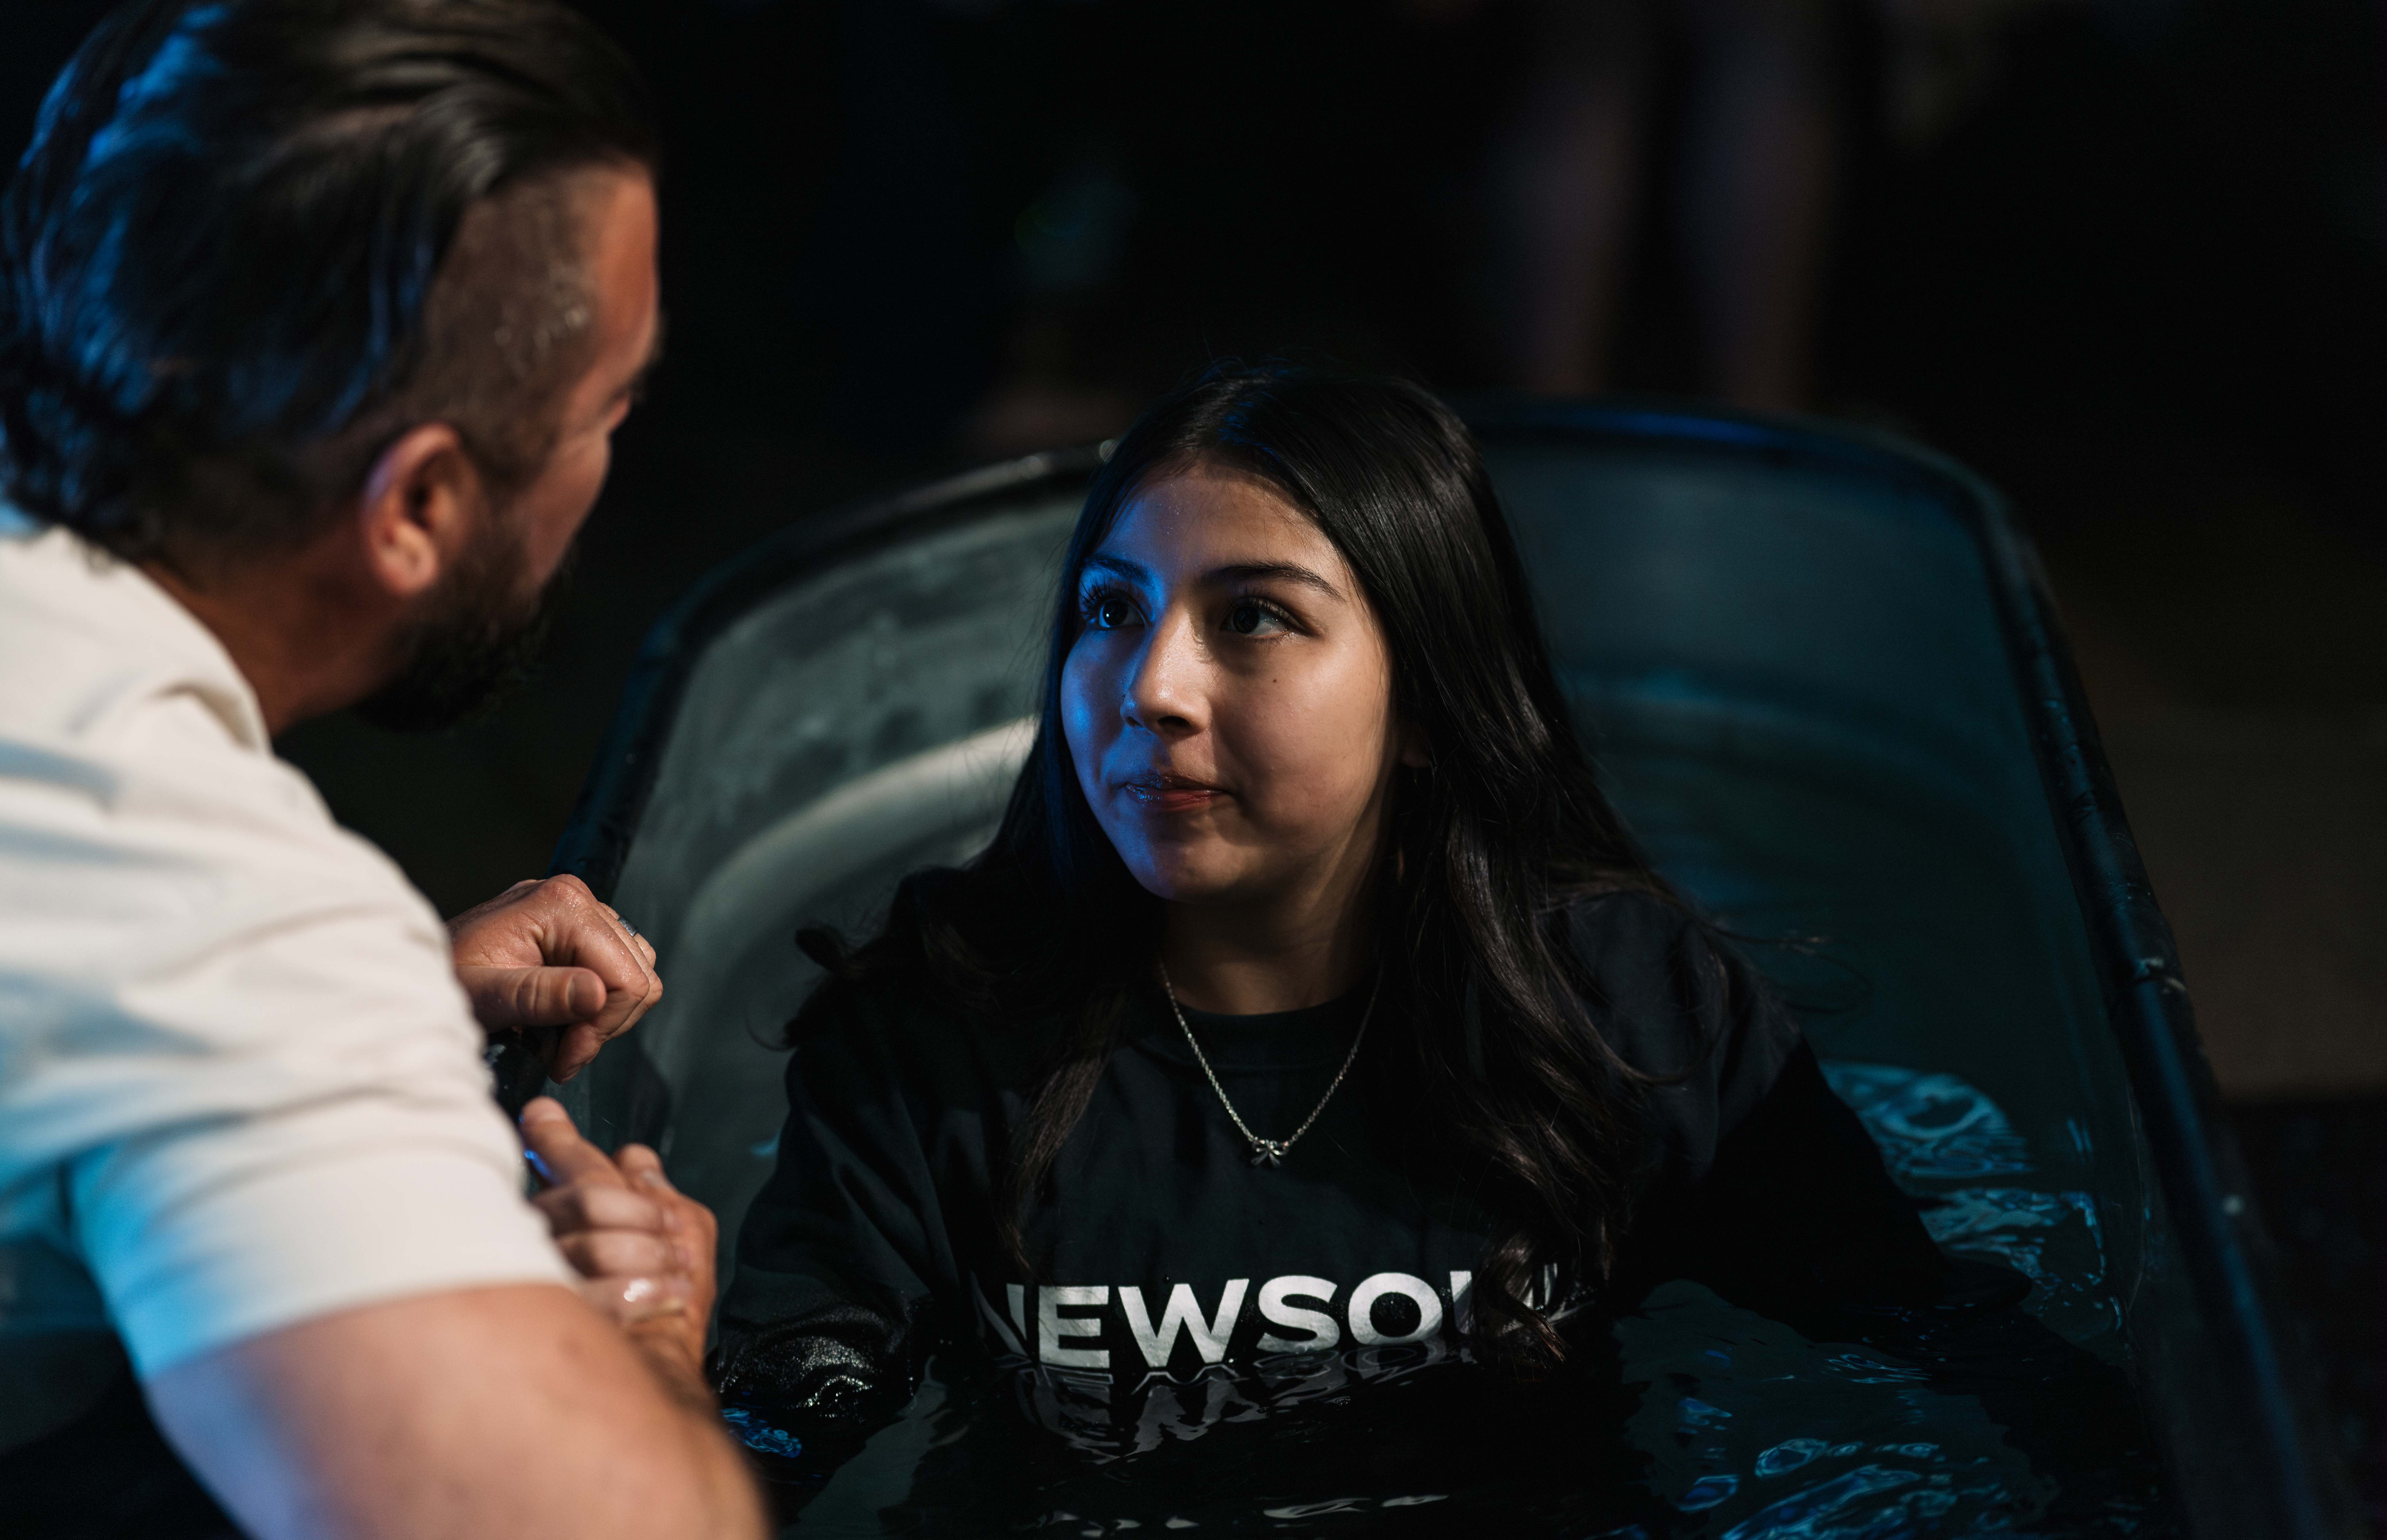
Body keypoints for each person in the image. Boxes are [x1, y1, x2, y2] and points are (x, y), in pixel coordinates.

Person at [709, 363, 1979, 1522]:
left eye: (1252, 615)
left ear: (1425, 699)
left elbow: (1928, 1347)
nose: (1150, 683)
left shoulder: (1618, 1003)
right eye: (1110, 607)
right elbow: (789, 1406)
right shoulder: (935, 1022)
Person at [0, 2, 761, 1536]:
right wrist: (645, 1345)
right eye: (607, 408)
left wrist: (384, 999)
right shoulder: (209, 923)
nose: (608, 458)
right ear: (415, 505)